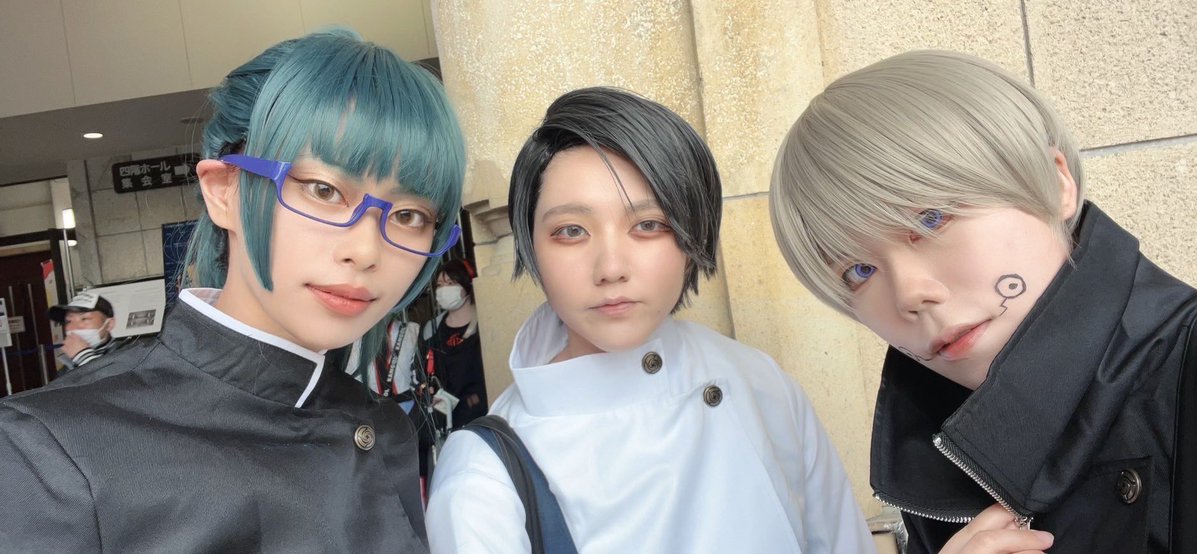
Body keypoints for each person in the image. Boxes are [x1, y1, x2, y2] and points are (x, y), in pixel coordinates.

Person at [0, 29, 464, 552]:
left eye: (409, 215)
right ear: (224, 192)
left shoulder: (387, 428)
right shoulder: (47, 452)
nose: (365, 250)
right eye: (324, 190)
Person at [768, 50, 1197, 553]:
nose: (910, 294)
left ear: (1055, 183)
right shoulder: (932, 456)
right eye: (858, 271)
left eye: (932, 218)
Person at [426, 87, 873, 553]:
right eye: (571, 231)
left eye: (648, 225)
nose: (611, 268)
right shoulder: (484, 474)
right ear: (532, 247)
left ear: (691, 236)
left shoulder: (761, 384)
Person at [423, 258, 487, 429]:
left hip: (481, 413)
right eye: (439, 285)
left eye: (450, 283)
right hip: (445, 417)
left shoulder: (485, 324)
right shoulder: (431, 329)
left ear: (466, 286)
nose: (444, 290)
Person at [48, 291, 118, 372]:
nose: (73, 328)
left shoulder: (127, 353)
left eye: (84, 319)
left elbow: (115, 378)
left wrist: (83, 356)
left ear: (109, 324)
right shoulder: (65, 370)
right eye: (68, 321)